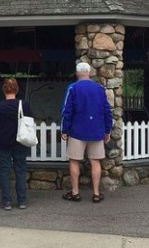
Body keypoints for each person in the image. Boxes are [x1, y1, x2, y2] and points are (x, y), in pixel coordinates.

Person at [61, 62, 112, 204]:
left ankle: (75, 192)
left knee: (74, 161)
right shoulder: (100, 88)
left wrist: (65, 130)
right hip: (96, 131)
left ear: (77, 73)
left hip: (77, 131)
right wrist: (107, 130)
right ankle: (96, 193)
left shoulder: (73, 88)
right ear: (89, 72)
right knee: (95, 162)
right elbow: (107, 111)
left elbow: (67, 111)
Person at [0, 77, 33, 210]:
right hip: (21, 141)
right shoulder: (24, 105)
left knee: (4, 171)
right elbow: (30, 120)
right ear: (17, 90)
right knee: (20, 170)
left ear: (4, 90)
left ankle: (7, 201)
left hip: (3, 141)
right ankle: (22, 200)